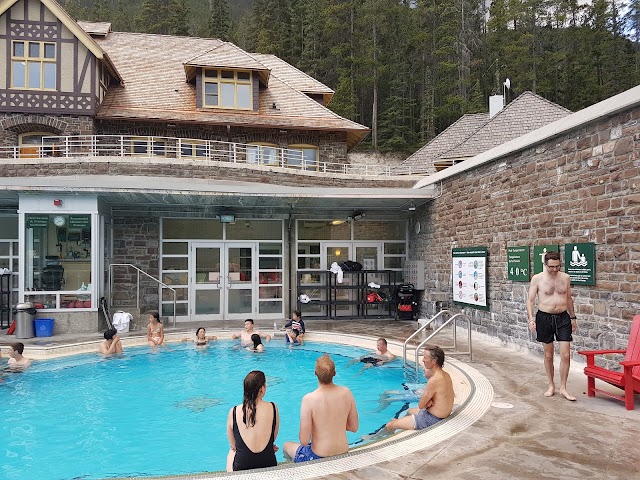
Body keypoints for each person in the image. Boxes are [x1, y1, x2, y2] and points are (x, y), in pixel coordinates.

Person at [283, 355, 358, 463]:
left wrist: (318, 425)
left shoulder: (309, 399)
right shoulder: (347, 393)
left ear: (315, 373)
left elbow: (304, 441)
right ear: (334, 373)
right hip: (343, 453)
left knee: (287, 445)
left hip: (318, 457)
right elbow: (354, 427)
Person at [527, 250, 577, 401]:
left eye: (557, 266)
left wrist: (573, 317)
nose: (555, 269)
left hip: (563, 318)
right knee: (548, 355)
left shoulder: (565, 277)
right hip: (544, 317)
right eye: (551, 267)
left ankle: (563, 387)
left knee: (566, 354)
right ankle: (551, 385)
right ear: (545, 264)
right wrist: (531, 319)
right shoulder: (537, 279)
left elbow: (568, 298)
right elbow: (530, 301)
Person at [384, 345, 454, 433]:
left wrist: (426, 403)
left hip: (431, 419)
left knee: (390, 425)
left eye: (425, 357)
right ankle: (402, 423)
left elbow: (421, 405)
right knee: (409, 410)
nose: (423, 360)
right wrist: (429, 402)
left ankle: (380, 438)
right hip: (439, 415)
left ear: (434, 361)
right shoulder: (446, 375)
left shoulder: (434, 380)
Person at [226, 370, 279, 471]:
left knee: (231, 452)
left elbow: (234, 446)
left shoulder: (234, 411)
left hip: (242, 466)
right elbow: (273, 437)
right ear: (262, 389)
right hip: (269, 463)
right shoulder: (273, 407)